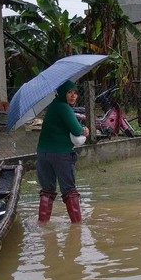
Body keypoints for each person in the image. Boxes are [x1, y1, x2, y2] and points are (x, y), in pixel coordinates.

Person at [36, 80, 89, 223]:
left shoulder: (53, 106)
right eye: (69, 92)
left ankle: (43, 224)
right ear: (62, 93)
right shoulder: (64, 108)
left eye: (75, 93)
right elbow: (77, 130)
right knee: (70, 191)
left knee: (47, 190)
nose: (73, 96)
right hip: (61, 154)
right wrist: (84, 130)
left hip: (42, 154)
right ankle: (77, 227)